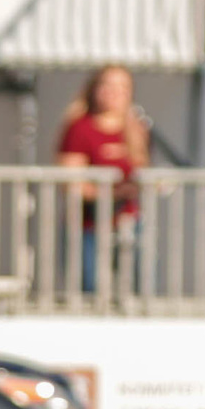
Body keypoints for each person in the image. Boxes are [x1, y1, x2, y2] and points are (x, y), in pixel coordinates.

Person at [54, 62, 151, 297]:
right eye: (108, 85)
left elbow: (142, 170)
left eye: (121, 87)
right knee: (89, 289)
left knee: (143, 287)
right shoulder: (79, 128)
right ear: (94, 89)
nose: (115, 92)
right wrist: (110, 194)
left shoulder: (136, 128)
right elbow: (71, 181)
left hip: (128, 222)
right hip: (88, 225)